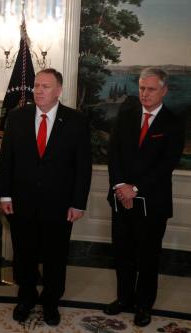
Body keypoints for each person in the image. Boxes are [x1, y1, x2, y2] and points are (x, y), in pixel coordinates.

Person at [0, 68, 92, 326]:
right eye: (36, 85)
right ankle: (25, 298)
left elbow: (83, 167)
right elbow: (6, 161)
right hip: (21, 202)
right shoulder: (17, 118)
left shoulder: (76, 121)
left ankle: (51, 302)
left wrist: (78, 203)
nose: (38, 90)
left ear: (59, 91)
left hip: (60, 205)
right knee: (24, 255)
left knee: (55, 257)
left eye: (45, 86)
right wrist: (4, 195)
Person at [104, 67, 185, 327]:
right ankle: (124, 299)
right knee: (122, 253)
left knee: (148, 257)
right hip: (120, 199)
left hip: (153, 203)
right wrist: (120, 187)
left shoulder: (173, 123)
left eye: (150, 89)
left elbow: (166, 165)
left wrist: (134, 188)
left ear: (164, 90)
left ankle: (143, 305)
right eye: (141, 88)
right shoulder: (125, 115)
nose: (145, 94)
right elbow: (113, 154)